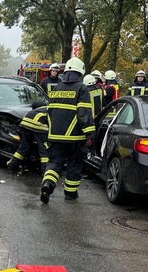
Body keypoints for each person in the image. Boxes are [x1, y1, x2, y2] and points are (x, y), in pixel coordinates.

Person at [41, 57, 95, 203]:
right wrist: (90, 134)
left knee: (54, 163)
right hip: (74, 138)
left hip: (55, 136)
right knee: (74, 165)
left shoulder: (57, 87)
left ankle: (47, 184)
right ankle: (70, 194)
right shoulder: (82, 88)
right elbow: (84, 113)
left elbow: (49, 111)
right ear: (81, 72)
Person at [7, 101, 49, 173]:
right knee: (44, 149)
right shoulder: (52, 110)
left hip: (25, 122)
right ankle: (45, 171)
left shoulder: (40, 109)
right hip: (37, 124)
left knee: (24, 147)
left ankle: (12, 165)